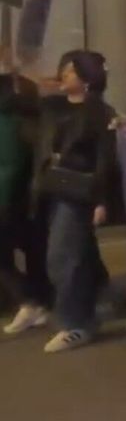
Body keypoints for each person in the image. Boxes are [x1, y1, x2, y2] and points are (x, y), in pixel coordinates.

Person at [32, 52, 115, 353]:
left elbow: (105, 159)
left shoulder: (100, 113)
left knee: (62, 257)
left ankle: (75, 324)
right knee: (76, 255)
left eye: (70, 71)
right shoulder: (53, 107)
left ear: (86, 77)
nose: (63, 75)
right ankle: (89, 313)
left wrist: (101, 200)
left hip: (79, 191)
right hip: (51, 188)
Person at [0, 70, 49, 328]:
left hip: (9, 199)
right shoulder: (27, 117)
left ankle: (29, 302)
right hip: (26, 197)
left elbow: (9, 165)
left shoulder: (7, 120)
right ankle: (37, 300)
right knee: (33, 250)